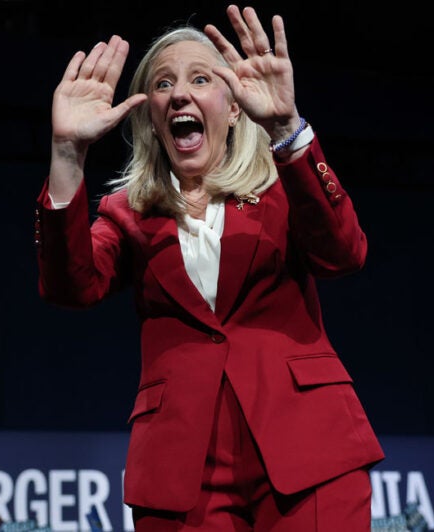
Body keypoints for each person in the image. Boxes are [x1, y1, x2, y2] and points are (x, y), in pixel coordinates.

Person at [34, 4, 384, 530]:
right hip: (182, 470)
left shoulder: (285, 187)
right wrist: (67, 154)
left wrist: (288, 127)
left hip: (307, 447)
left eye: (201, 78)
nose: (180, 94)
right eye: (164, 83)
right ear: (151, 113)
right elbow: (69, 287)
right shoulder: (129, 213)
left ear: (236, 105)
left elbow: (344, 253)